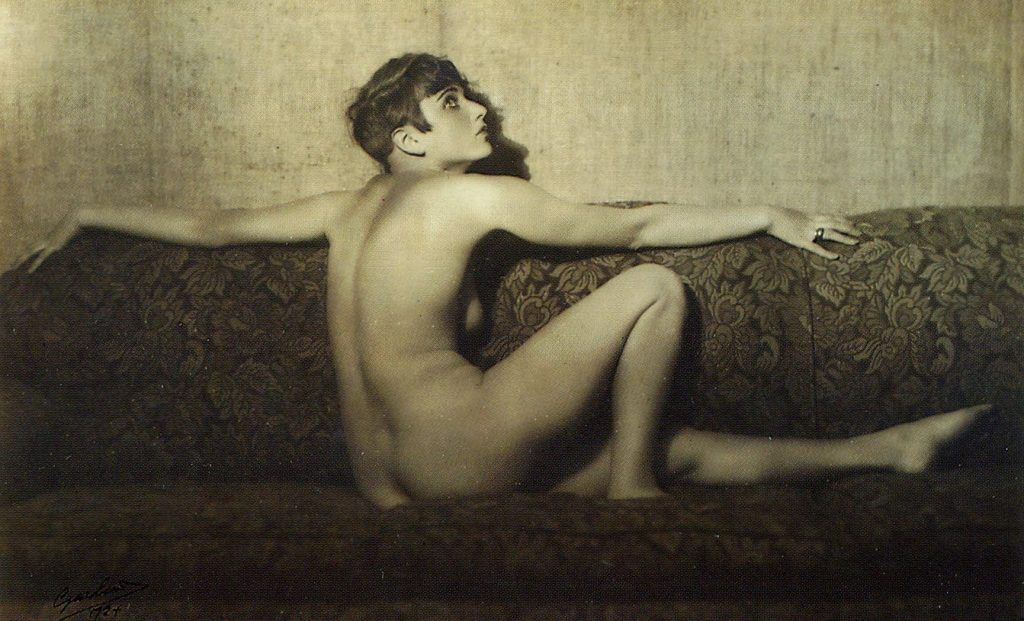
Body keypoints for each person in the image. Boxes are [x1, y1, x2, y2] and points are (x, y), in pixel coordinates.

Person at [21, 53, 989, 510]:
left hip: (386, 482)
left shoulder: (341, 209)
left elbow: (207, 227)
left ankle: (884, 449)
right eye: (453, 102)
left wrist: (86, 212)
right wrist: (770, 212)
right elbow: (635, 229)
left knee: (681, 447)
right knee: (655, 289)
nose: (480, 112)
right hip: (460, 449)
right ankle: (633, 493)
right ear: (410, 138)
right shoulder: (468, 198)